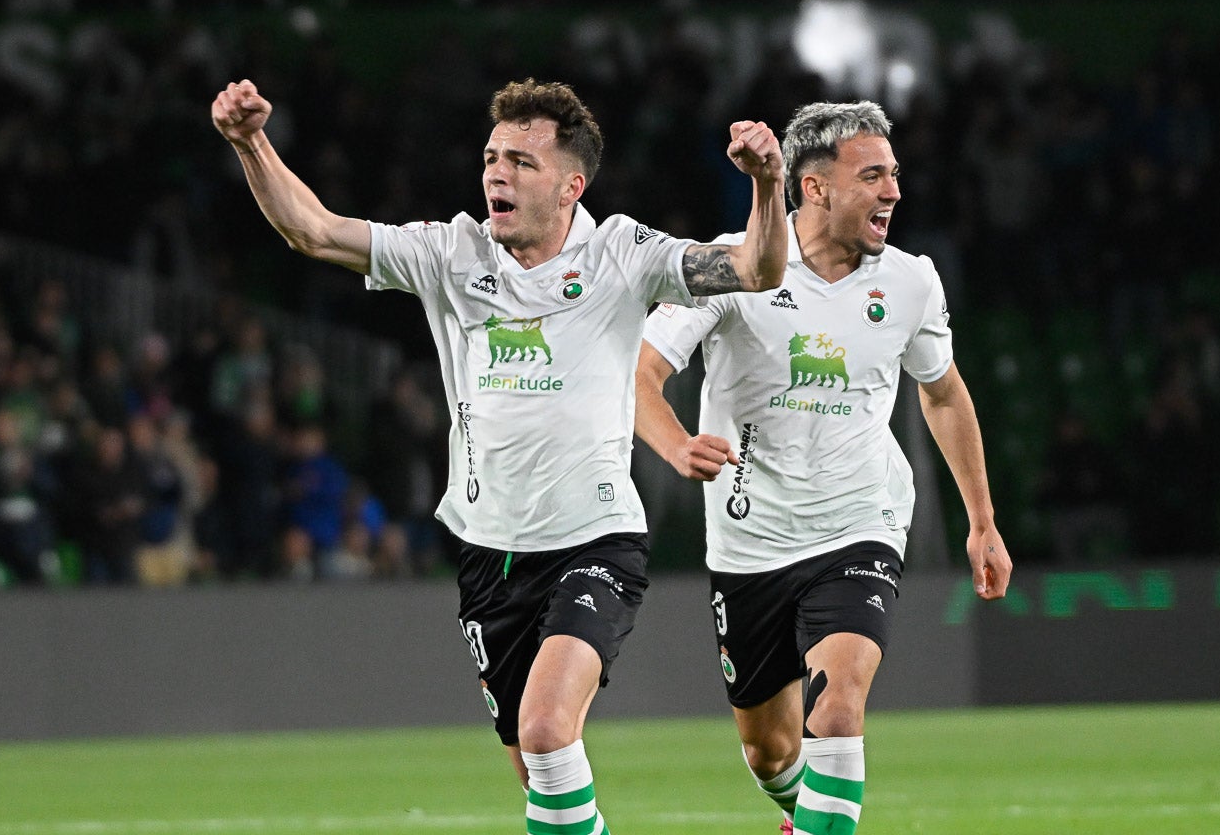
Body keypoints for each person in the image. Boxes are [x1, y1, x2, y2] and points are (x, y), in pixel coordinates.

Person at [211, 76, 788, 834]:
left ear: (570, 184)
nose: (495, 173)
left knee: (550, 730)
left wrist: (767, 185)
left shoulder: (622, 252)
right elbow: (314, 232)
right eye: (491, 156)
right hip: (490, 555)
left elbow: (757, 271)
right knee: (538, 772)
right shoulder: (452, 251)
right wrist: (251, 143)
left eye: (520, 160)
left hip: (594, 540)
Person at [635, 100, 1012, 835]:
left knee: (835, 710)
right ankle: (804, 815)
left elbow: (941, 393)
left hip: (857, 524)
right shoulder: (732, 264)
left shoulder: (910, 282)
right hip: (750, 542)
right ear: (814, 189)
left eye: (894, 175)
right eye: (872, 176)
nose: (893, 192)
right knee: (769, 752)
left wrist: (982, 520)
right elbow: (640, 374)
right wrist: (677, 443)